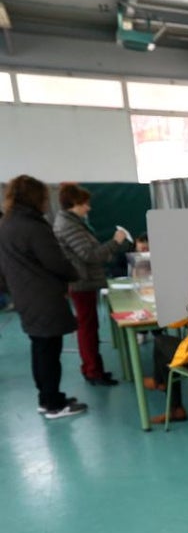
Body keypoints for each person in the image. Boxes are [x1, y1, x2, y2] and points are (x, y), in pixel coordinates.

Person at [0, 175, 88, 419]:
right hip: (43, 297)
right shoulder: (33, 225)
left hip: (25, 295)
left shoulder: (8, 223)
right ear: (34, 197)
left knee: (41, 349)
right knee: (49, 351)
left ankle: (47, 398)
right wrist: (73, 273)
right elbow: (55, 261)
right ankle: (53, 404)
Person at [53, 183, 130, 386]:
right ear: (73, 203)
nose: (88, 208)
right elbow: (89, 254)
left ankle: (93, 368)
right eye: (85, 203)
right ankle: (93, 371)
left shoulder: (71, 222)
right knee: (87, 329)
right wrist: (115, 241)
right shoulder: (68, 225)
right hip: (81, 283)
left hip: (84, 282)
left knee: (89, 327)